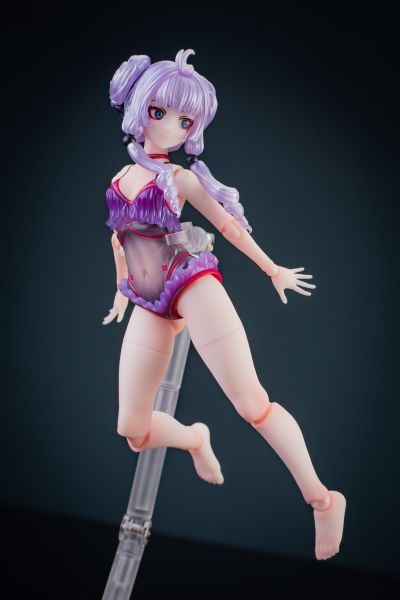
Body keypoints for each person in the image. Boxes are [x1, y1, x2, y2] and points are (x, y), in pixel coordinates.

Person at [102, 49, 346, 561]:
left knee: (252, 404)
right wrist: (122, 289)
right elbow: (119, 239)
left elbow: (227, 226)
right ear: (139, 108)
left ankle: (322, 499)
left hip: (191, 283)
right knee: (133, 429)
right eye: (160, 112)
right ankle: (195, 438)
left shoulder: (179, 179)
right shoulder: (120, 179)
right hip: (149, 300)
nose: (171, 127)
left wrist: (272, 268)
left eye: (185, 121)